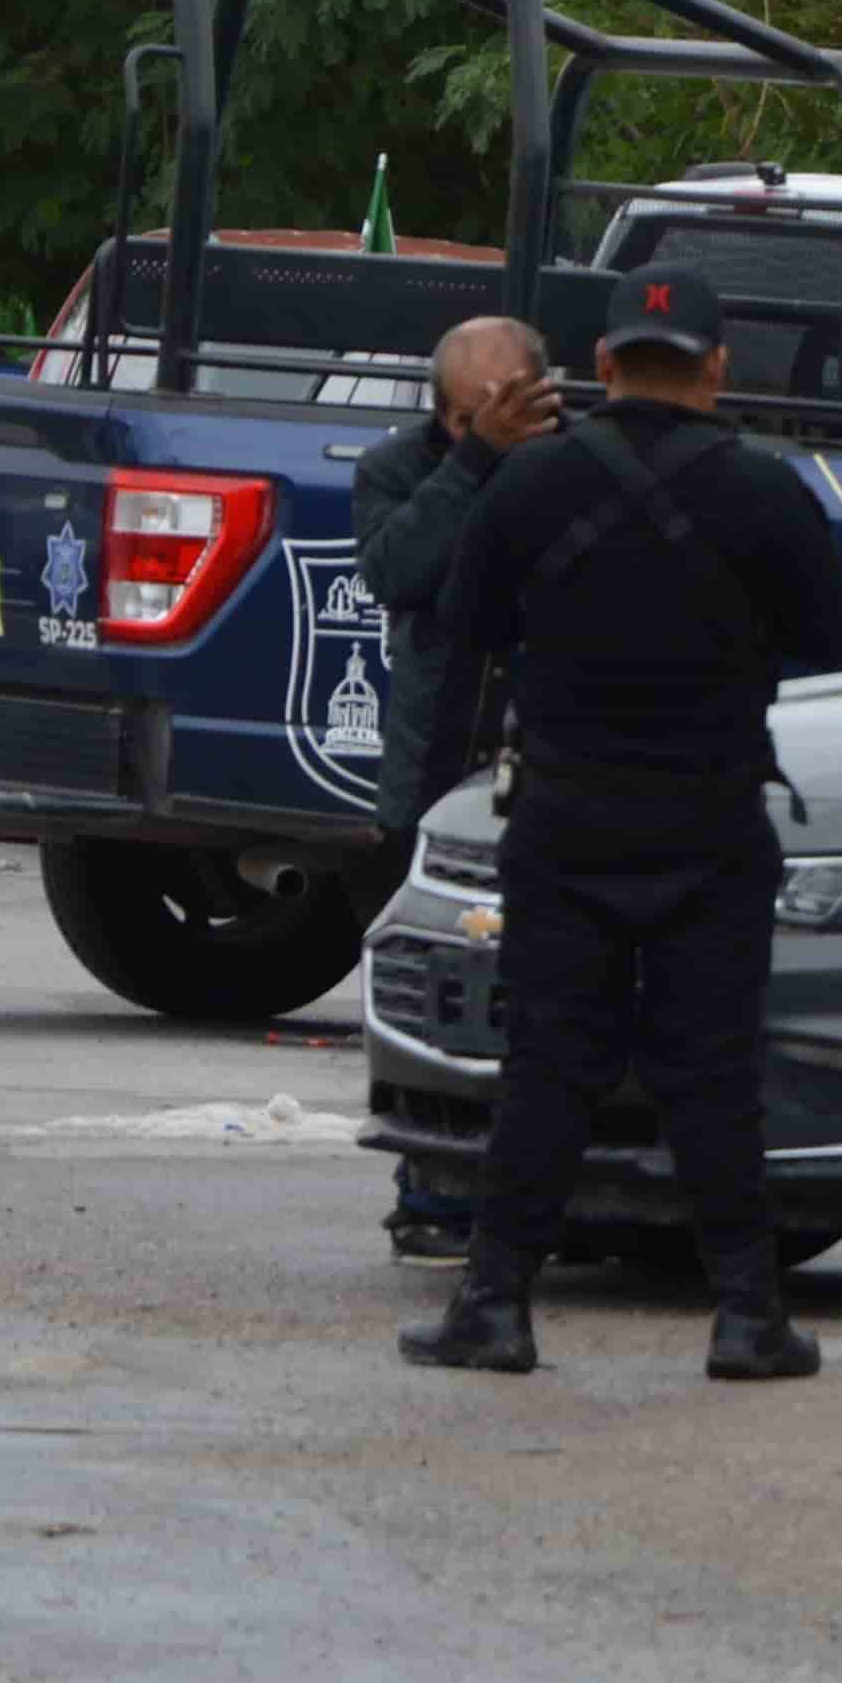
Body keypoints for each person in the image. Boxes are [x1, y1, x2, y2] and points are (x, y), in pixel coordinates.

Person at [398, 265, 842, 1383]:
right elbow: (829, 638)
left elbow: (465, 621)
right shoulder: (765, 489)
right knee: (714, 1072)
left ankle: (495, 1307)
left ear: (600, 366)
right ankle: (747, 1316)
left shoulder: (534, 482)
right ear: (715, 367)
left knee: (548, 1065)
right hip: (708, 822)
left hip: (565, 818)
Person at [352, 312, 557, 1266]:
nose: (514, 421)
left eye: (525, 400)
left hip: (550, 764)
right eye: (487, 410)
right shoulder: (402, 470)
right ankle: (432, 1193)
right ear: (447, 415)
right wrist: (474, 465)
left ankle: (552, 1198)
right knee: (440, 992)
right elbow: (401, 571)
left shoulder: (573, 468)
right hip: (437, 764)